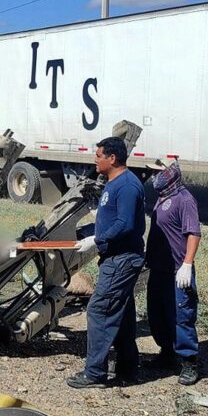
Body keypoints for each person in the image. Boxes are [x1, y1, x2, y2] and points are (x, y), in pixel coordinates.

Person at [67, 136, 146, 389]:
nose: (95, 159)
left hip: (122, 260)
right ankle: (127, 368)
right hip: (114, 258)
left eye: (99, 155)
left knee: (99, 310)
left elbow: (126, 224)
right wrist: (90, 228)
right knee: (121, 314)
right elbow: (112, 218)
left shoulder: (127, 186)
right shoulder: (113, 183)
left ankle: (94, 374)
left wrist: (96, 239)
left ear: (112, 158)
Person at [144, 157, 202, 385]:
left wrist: (187, 264)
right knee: (158, 313)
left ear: (170, 173)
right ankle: (167, 353)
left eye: (158, 172)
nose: (154, 177)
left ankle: (189, 362)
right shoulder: (162, 197)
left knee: (181, 315)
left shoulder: (184, 199)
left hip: (178, 270)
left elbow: (193, 233)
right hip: (158, 268)